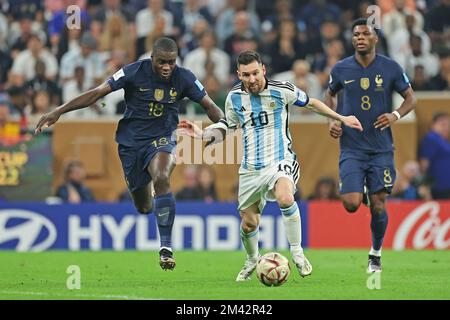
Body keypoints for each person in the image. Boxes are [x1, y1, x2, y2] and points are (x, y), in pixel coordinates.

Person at [34, 37, 226, 270]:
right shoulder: (133, 71)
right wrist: (59, 111)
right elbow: (97, 93)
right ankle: (149, 189)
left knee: (163, 176)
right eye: (162, 62)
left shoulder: (184, 77)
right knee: (144, 207)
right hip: (131, 145)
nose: (167, 67)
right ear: (152, 59)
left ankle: (165, 247)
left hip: (163, 138)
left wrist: (223, 125)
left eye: (171, 62)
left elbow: (209, 106)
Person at [178, 50, 362, 281]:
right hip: (250, 168)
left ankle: (298, 253)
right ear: (239, 74)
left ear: (263, 69)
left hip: (280, 159)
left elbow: (312, 103)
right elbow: (227, 127)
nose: (252, 79)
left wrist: (341, 118)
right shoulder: (234, 97)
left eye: (255, 73)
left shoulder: (281, 89)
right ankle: (252, 259)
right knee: (248, 224)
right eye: (246, 75)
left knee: (286, 197)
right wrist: (203, 134)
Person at [324, 19, 417, 273]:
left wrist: (395, 115)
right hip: (352, 148)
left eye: (365, 34)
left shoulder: (391, 68)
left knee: (378, 204)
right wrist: (334, 119)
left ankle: (375, 254)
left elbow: (411, 97)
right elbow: (329, 94)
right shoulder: (341, 69)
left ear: (376, 38)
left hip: (381, 149)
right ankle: (365, 192)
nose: (360, 38)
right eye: (356, 34)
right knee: (351, 204)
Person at [419, 112, 450, 199]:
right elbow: (424, 163)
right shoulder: (431, 138)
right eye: (442, 124)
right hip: (439, 187)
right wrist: (425, 186)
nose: (446, 128)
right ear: (433, 124)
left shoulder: (443, 140)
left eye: (447, 125)